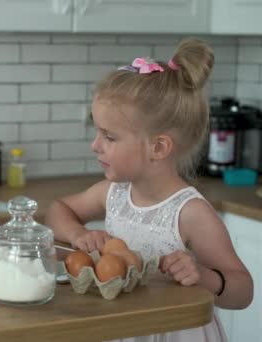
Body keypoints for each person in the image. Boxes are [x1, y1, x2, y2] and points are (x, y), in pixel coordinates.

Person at [45, 38, 252, 341]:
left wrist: (204, 276)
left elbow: (243, 291)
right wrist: (79, 234)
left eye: (109, 136)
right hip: (125, 328)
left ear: (157, 147)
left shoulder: (190, 212)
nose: (95, 145)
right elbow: (57, 210)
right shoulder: (113, 193)